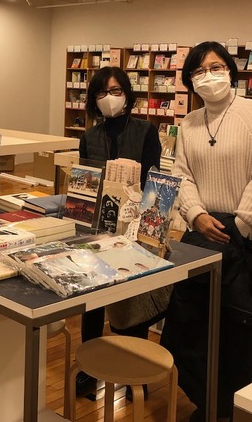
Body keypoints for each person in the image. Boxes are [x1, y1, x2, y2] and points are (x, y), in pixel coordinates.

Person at [161, 41, 252, 422]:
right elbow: (181, 176)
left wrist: (238, 227)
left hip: (250, 239)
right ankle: (208, 401)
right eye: (198, 71)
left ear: (230, 70)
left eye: (215, 67)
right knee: (199, 325)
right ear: (189, 80)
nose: (208, 76)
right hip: (203, 237)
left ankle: (239, 405)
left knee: (241, 327)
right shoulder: (189, 123)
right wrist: (196, 215)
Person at [76, 66, 162, 396]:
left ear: (126, 94)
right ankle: (88, 368)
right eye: (102, 92)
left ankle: (134, 371)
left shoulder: (145, 131)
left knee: (132, 299)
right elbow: (84, 183)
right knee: (92, 298)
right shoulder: (89, 137)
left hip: (135, 229)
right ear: (93, 99)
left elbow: (154, 183)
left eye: (115, 91)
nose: (109, 98)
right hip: (97, 228)